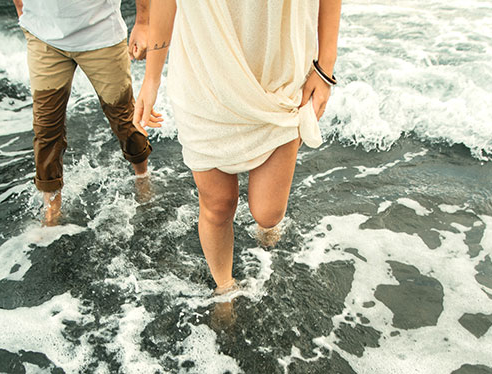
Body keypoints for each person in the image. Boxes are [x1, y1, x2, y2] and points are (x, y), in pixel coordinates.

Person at [134, 0, 342, 293]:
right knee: (217, 205)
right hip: (203, 75)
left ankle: (265, 227)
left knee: (269, 214)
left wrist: (325, 68)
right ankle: (225, 286)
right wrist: (151, 80)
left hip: (277, 74)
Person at [13, 0, 163, 225]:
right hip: (43, 37)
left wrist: (143, 23)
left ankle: (142, 176)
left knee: (123, 119)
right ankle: (52, 207)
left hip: (101, 35)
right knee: (46, 127)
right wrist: (23, 12)